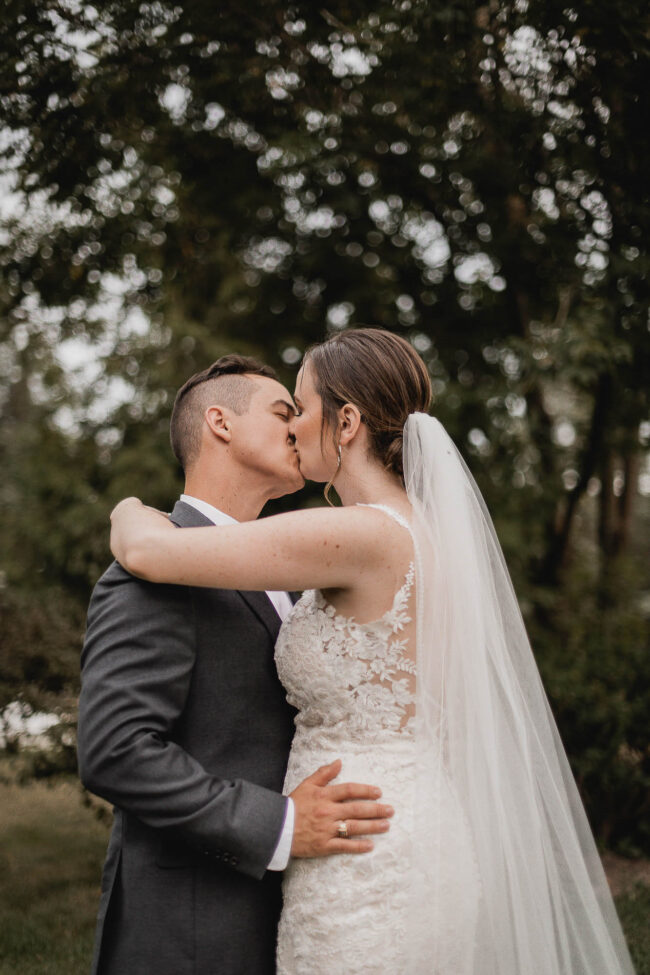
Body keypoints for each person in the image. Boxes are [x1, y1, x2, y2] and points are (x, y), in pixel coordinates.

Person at [110, 329, 636, 975]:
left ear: (348, 420)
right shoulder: (420, 532)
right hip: (409, 820)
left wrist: (131, 508)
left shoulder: (361, 532)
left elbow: (148, 554)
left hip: (366, 846)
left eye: (300, 408)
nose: (296, 427)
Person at [77, 354, 393, 975]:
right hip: (194, 924)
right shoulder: (149, 571)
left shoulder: (293, 565)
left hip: (309, 909)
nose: (301, 426)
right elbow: (115, 749)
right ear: (219, 423)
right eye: (285, 411)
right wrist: (278, 825)